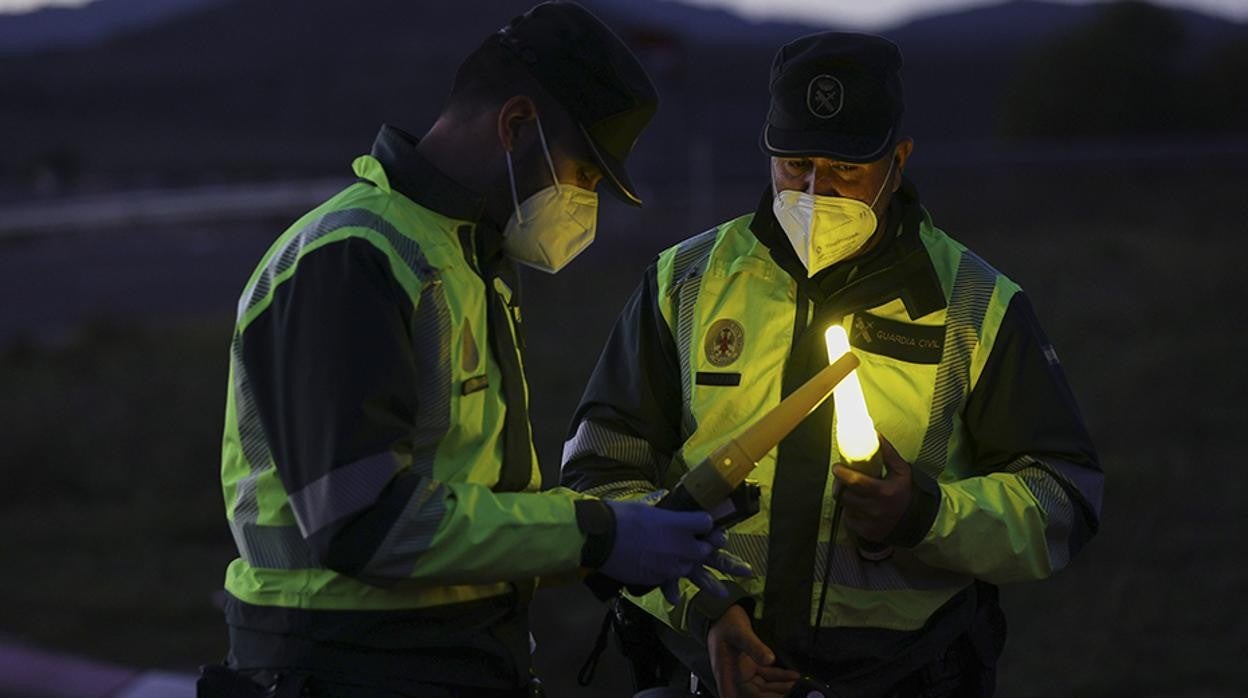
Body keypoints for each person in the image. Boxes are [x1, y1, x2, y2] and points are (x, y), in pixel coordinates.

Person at [203, 3, 747, 696]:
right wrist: (596, 534)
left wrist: (607, 544)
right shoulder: (353, 260)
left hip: (447, 659)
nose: (583, 203)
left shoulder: (468, 260)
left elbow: (471, 500)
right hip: (342, 665)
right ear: (516, 126)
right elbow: (363, 525)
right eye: (582, 174)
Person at [561, 32, 1103, 698]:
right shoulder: (683, 282)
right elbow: (600, 472)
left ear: (898, 160)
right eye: (796, 165)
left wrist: (923, 515)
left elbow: (1061, 500)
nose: (817, 191)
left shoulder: (975, 303)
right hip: (709, 671)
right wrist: (704, 610)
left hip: (906, 679)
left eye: (846, 169)